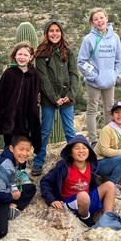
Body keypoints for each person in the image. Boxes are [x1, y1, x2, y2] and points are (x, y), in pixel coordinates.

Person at [31, 20, 79, 177]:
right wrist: (54, 98)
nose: (54, 33)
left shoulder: (68, 52)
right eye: (51, 31)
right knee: (45, 130)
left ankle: (75, 160)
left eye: (57, 30)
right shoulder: (41, 53)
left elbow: (74, 74)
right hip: (48, 99)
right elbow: (43, 79)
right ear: (46, 33)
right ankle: (38, 161)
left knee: (69, 130)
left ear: (61, 33)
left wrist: (70, 95)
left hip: (66, 97)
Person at [40, 135, 116, 227]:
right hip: (70, 204)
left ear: (89, 151)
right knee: (83, 196)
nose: (81, 151)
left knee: (110, 185)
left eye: (84, 148)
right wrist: (52, 200)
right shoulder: (64, 167)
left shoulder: (90, 166)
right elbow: (45, 182)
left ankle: (107, 219)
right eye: (77, 148)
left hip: (87, 202)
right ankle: (86, 219)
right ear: (71, 152)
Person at [77, 8, 121, 144]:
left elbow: (119, 60)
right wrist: (93, 76)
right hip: (93, 82)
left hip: (110, 81)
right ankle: (93, 140)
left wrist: (115, 76)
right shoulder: (88, 39)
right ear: (92, 23)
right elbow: (81, 62)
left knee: (109, 110)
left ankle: (108, 139)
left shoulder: (115, 38)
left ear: (106, 18)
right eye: (96, 19)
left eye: (101, 18)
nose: (99, 21)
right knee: (92, 110)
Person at [0, 41, 41, 153]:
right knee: (9, 150)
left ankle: (21, 170)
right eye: (19, 54)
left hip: (25, 123)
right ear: (15, 55)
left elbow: (35, 102)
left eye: (25, 55)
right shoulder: (8, 73)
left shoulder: (34, 75)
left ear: (31, 57)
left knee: (22, 151)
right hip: (9, 123)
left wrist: (36, 138)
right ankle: (8, 170)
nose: (22, 57)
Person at [94, 101, 121, 200]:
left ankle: (108, 177)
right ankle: (112, 185)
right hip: (100, 163)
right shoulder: (107, 129)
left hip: (114, 161)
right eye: (117, 112)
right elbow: (105, 151)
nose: (120, 115)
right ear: (112, 115)